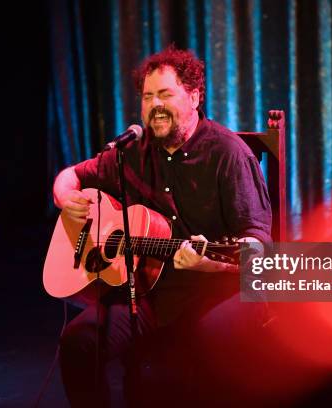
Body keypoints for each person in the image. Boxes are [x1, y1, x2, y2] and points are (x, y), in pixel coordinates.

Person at [52, 45, 272, 407]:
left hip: (215, 290)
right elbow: (70, 176)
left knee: (208, 349)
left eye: (165, 94)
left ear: (194, 97)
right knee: (78, 341)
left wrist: (209, 262)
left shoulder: (228, 154)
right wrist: (65, 198)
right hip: (145, 294)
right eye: (147, 96)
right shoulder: (131, 153)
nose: (155, 105)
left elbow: (258, 246)